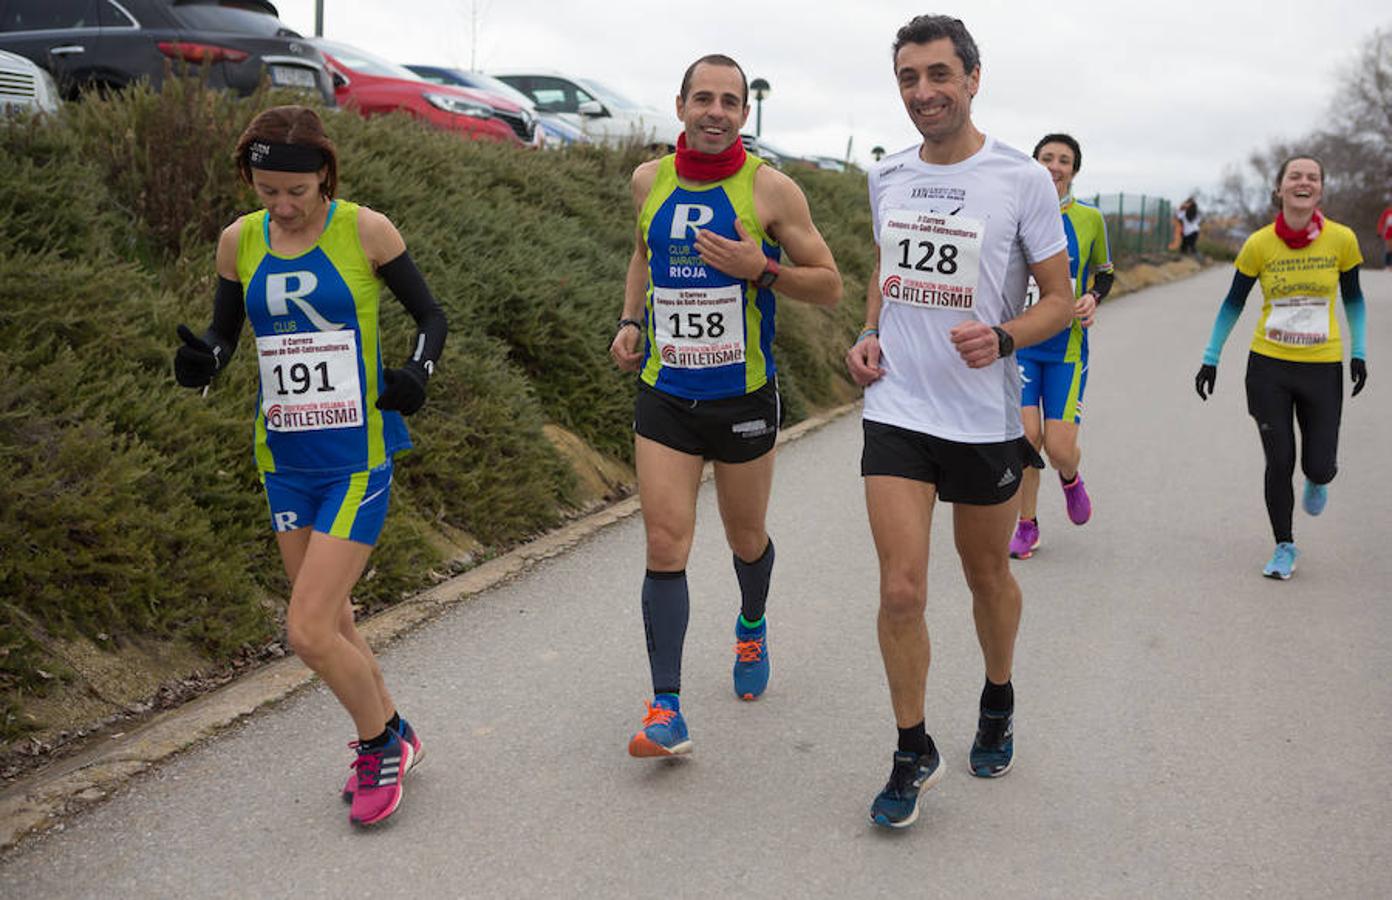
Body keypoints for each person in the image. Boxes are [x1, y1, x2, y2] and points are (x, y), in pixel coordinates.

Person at [172, 105, 447, 827]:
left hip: (357, 458)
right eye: (267, 191)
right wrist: (201, 361)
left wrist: (417, 374)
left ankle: (378, 744)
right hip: (283, 455)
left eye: (296, 191)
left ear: (325, 175)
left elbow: (432, 319)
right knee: (335, 619)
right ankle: (396, 728)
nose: (283, 206)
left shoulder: (365, 230)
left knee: (308, 630)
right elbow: (225, 338)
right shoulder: (240, 241)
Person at [845, 16, 1073, 829]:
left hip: (983, 420)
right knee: (901, 588)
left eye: (938, 75)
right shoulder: (888, 174)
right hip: (898, 409)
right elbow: (886, 266)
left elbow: (1057, 301)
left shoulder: (1022, 180)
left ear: (973, 79)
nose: (923, 93)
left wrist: (1006, 335)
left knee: (987, 579)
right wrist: (869, 333)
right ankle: (912, 748)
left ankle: (998, 697)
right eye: (909, 78)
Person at [609, 54, 842, 758]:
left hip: (741, 397)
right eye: (702, 98)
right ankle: (666, 706)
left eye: (730, 101)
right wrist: (628, 322)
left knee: (745, 538)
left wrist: (761, 270)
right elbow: (643, 256)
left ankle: (750, 625)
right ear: (679, 104)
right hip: (666, 392)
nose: (715, 111)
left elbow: (829, 284)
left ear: (744, 114)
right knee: (664, 541)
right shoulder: (648, 180)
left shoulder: (771, 192)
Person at [1195, 156, 1367, 579]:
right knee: (1279, 459)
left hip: (1322, 366)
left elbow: (1354, 300)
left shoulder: (1342, 240)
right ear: (1280, 188)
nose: (1303, 182)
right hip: (1269, 367)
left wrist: (1359, 352)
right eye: (1295, 176)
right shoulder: (1259, 244)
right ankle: (1284, 546)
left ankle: (1319, 477)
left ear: (1321, 189)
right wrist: (1211, 358)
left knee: (1318, 465)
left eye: (1312, 177)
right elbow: (1232, 303)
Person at [1008, 134, 1113, 559]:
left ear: (1074, 170)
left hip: (1066, 349)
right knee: (1026, 439)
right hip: (1020, 346)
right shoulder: (1014, 213)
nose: (1054, 166)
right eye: (1047, 158)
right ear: (1033, 164)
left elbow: (1104, 272)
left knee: (1059, 447)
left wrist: (1093, 296)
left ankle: (1070, 478)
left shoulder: (1090, 219)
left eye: (1064, 160)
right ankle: (1027, 525)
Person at [1377, 202, 1392, 267]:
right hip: (1388, 231)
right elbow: (1381, 222)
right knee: (1389, 248)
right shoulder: (1387, 212)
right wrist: (1379, 231)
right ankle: (1388, 264)